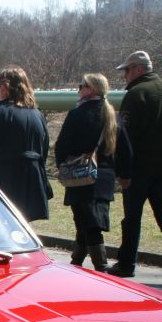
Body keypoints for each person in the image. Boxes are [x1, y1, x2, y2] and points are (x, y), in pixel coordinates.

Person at [109, 50, 162, 284]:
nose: (124, 76)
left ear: (138, 69)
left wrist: (122, 170)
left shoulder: (136, 95)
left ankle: (126, 264)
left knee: (132, 217)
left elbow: (124, 136)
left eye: (126, 70)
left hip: (138, 168)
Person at [54, 73, 133, 272]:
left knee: (89, 223)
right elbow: (125, 149)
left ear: (91, 89)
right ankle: (76, 262)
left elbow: (61, 146)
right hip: (104, 176)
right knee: (88, 220)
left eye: (82, 86)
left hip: (80, 174)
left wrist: (62, 166)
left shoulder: (77, 115)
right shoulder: (113, 116)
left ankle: (101, 266)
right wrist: (124, 174)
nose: (79, 89)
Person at [0, 66, 51, 222]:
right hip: (31, 186)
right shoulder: (37, 115)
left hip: (3, 186)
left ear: (6, 87)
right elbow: (43, 151)